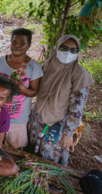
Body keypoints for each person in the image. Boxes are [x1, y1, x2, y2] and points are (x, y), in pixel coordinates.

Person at [28, 35, 94, 166]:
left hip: (57, 124)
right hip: (37, 118)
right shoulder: (47, 66)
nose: (68, 53)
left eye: (73, 50)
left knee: (48, 158)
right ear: (57, 48)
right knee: (30, 151)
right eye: (64, 48)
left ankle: (46, 183)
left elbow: (77, 108)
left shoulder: (80, 75)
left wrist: (69, 133)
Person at [0, 28, 44, 149]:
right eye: (14, 42)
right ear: (10, 42)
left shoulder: (33, 67)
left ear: (29, 45)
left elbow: (33, 92)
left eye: (22, 43)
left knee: (14, 149)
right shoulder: (0, 62)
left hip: (17, 117)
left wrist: (21, 87)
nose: (17, 46)